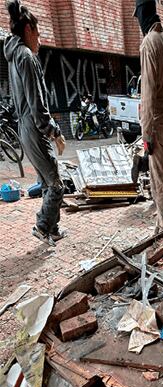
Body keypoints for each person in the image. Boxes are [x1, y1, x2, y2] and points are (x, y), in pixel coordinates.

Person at [4, 0, 67, 246]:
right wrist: (55, 133)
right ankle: (42, 226)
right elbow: (38, 106)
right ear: (28, 29)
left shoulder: (13, 56)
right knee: (57, 185)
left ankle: (53, 229)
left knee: (46, 181)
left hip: (25, 128)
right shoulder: (26, 57)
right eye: (38, 35)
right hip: (34, 127)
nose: (39, 41)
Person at [136, 0, 163, 233]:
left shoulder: (149, 43)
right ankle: (160, 227)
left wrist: (147, 133)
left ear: (143, 16)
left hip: (159, 125)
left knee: (159, 185)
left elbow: (148, 94)